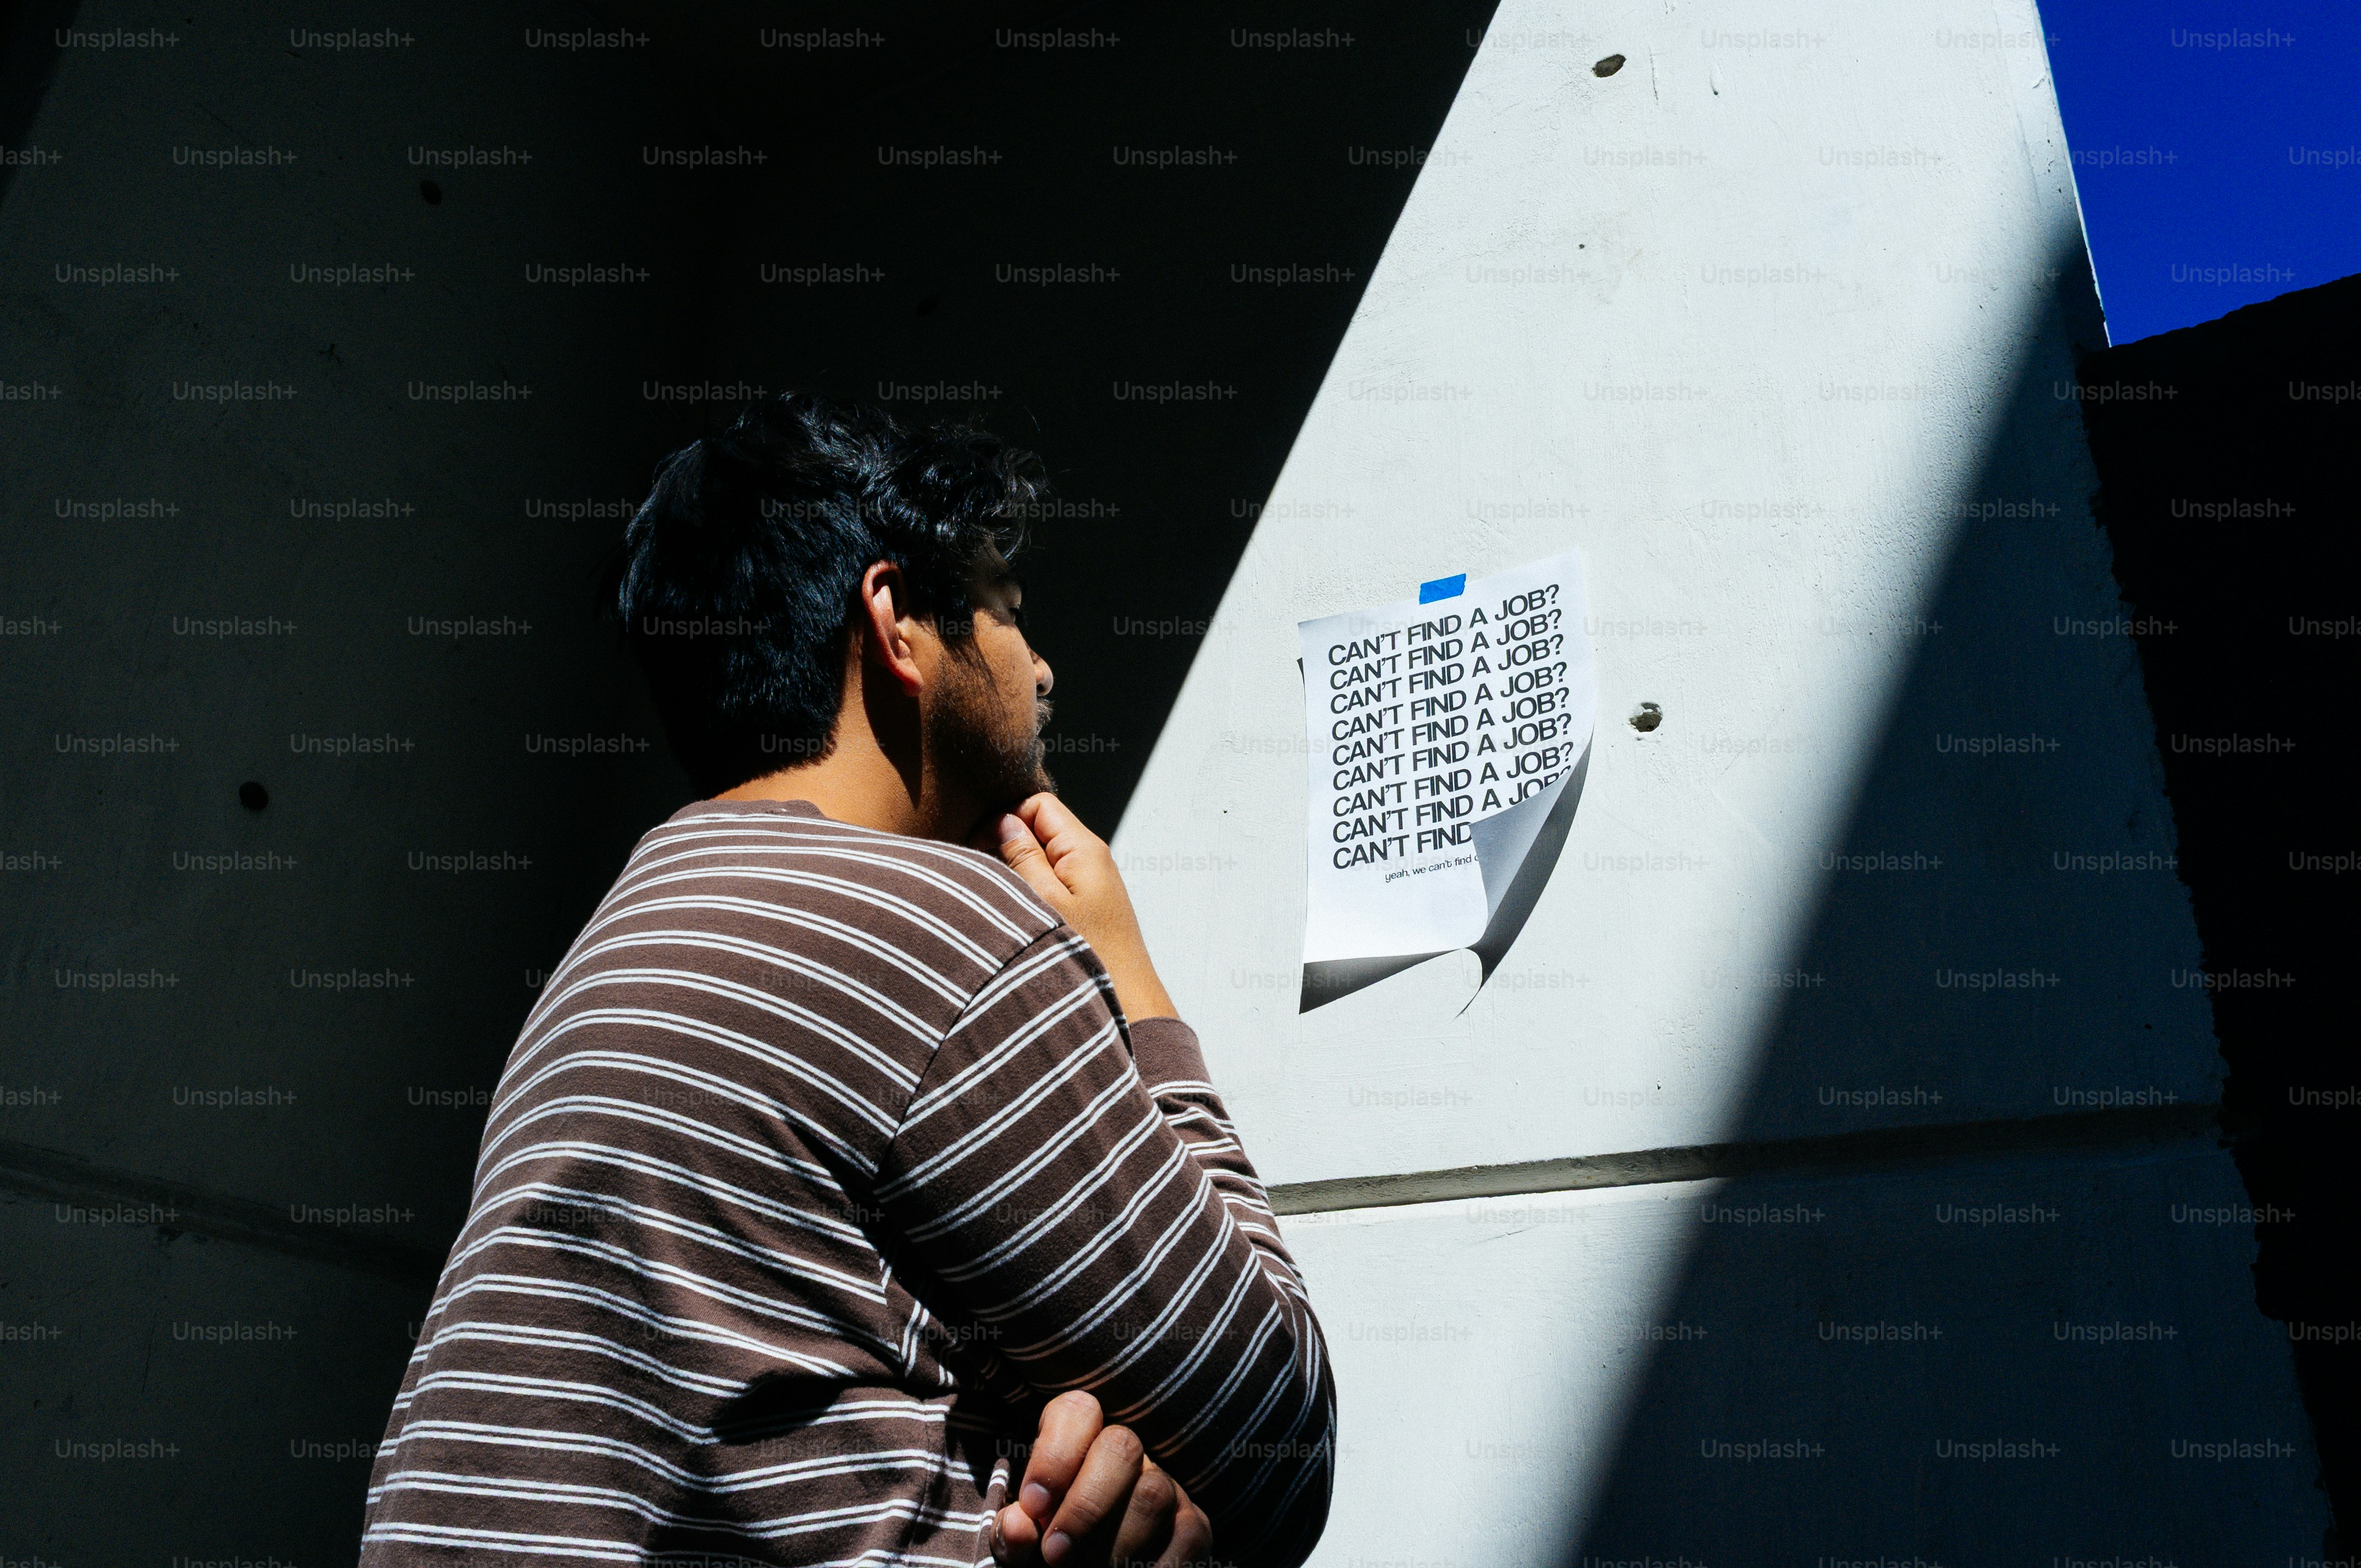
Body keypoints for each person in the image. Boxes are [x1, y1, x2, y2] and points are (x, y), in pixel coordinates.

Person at [358, 393, 1337, 1567]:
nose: (1042, 668)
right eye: (1006, 610)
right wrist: (1130, 979)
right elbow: (1276, 1439)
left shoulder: (605, 954)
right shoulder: (939, 928)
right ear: (898, 623)